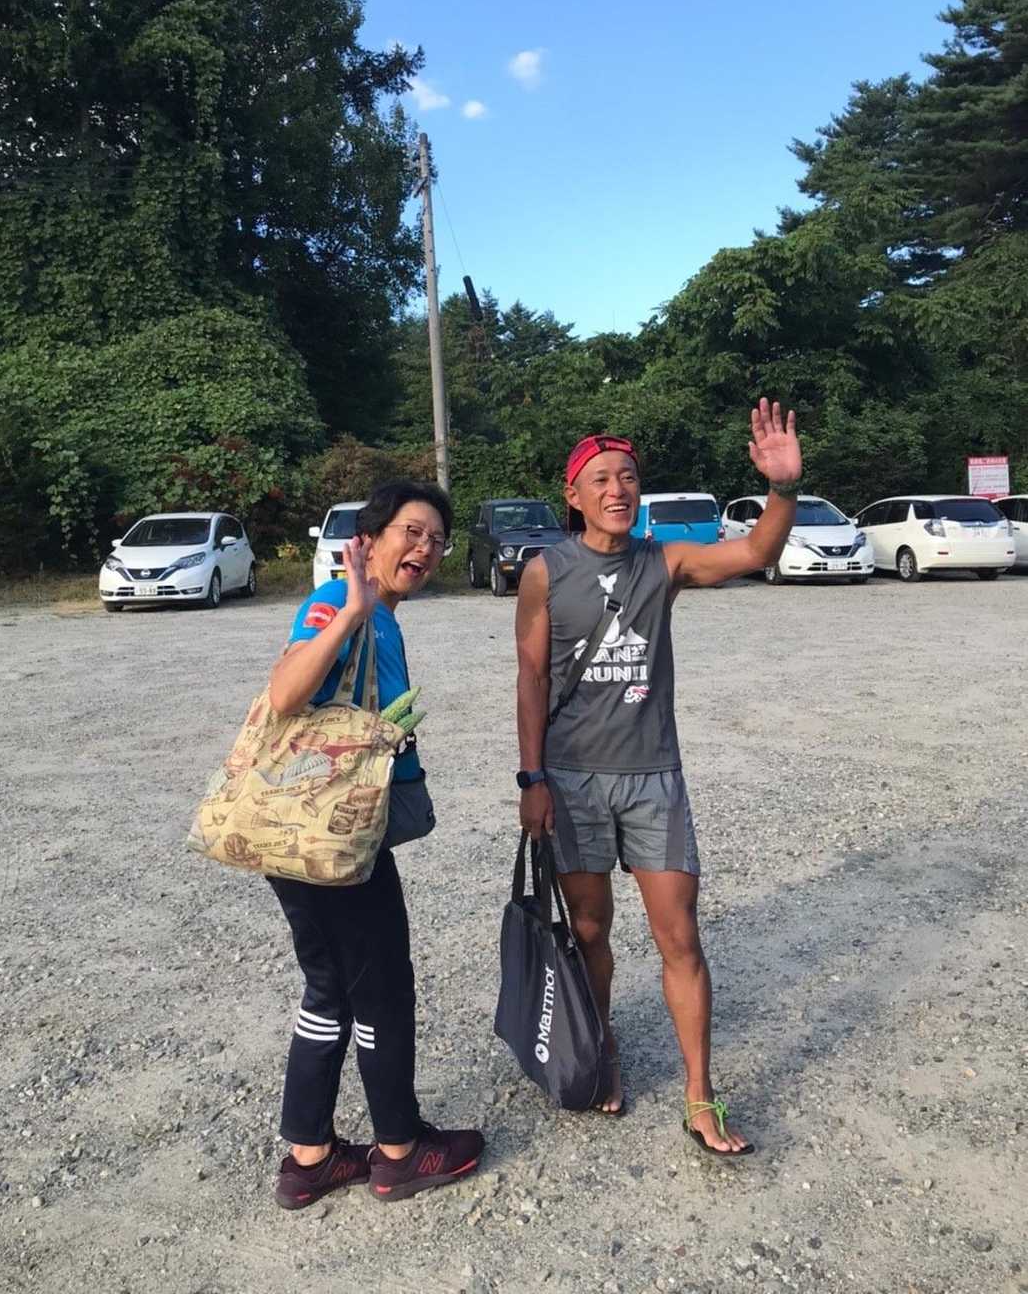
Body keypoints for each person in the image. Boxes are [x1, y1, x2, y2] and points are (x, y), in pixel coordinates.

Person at [514, 399, 802, 1154]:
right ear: (574, 495)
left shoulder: (663, 562)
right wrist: (531, 778)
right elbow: (531, 678)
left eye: (629, 477)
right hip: (572, 780)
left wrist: (783, 488)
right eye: (601, 479)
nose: (618, 489)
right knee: (589, 930)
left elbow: (756, 552)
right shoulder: (545, 573)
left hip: (653, 780)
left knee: (680, 937)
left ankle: (700, 1095)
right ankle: (602, 1048)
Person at [266, 479, 485, 1208]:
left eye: (437, 540)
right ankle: (400, 1150)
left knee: (330, 985)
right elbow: (285, 693)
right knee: (382, 987)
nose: (425, 548)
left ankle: (310, 1157)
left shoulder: (384, 617)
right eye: (411, 532)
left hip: (315, 829)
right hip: (332, 832)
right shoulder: (339, 601)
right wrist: (353, 609)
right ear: (370, 539)